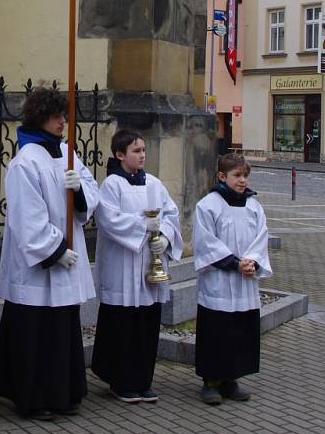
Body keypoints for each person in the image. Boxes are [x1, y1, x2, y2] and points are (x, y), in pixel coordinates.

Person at [0, 87, 99, 420]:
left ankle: (64, 392)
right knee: (35, 332)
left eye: (64, 115)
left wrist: (79, 190)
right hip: (40, 265)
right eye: (56, 116)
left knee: (62, 330)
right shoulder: (26, 161)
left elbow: (90, 192)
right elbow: (26, 217)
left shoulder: (67, 154)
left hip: (66, 258)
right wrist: (55, 249)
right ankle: (33, 398)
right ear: (40, 118)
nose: (63, 121)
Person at [91, 129, 183, 403]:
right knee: (122, 326)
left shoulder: (154, 183)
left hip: (148, 266)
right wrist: (145, 227)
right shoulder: (112, 185)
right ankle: (120, 381)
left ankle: (143, 379)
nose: (142, 155)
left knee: (146, 324)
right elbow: (109, 220)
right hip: (123, 266)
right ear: (120, 155)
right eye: (136, 150)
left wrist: (164, 238)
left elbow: (171, 214)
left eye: (143, 150)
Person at [192, 153, 271, 405]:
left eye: (245, 175)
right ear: (222, 177)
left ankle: (232, 379)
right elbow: (205, 243)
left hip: (244, 279)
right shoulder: (208, 205)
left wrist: (253, 263)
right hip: (220, 281)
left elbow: (262, 237)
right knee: (217, 331)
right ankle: (211, 381)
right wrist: (235, 263)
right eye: (237, 176)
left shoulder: (253, 206)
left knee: (239, 331)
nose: (243, 181)